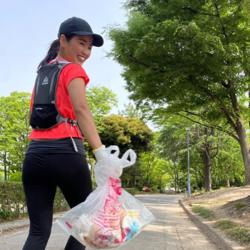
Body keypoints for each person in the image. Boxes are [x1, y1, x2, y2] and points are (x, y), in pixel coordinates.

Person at [22, 17, 107, 250]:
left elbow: (34, 115)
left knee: (38, 232)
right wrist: (101, 152)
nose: (86, 51)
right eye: (81, 43)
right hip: (66, 153)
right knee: (84, 225)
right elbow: (81, 109)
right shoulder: (72, 70)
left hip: (35, 155)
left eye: (89, 46)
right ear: (63, 40)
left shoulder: (43, 72)